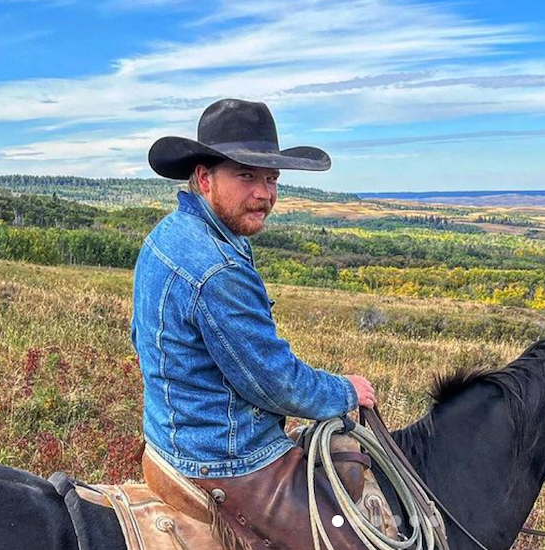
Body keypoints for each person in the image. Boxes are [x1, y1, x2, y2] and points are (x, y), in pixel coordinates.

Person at [132, 98, 376, 549]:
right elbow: (275, 382)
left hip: (171, 436)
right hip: (221, 459)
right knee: (349, 541)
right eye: (246, 176)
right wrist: (345, 390)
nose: (264, 193)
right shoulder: (218, 267)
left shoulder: (171, 233)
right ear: (205, 178)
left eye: (271, 178)